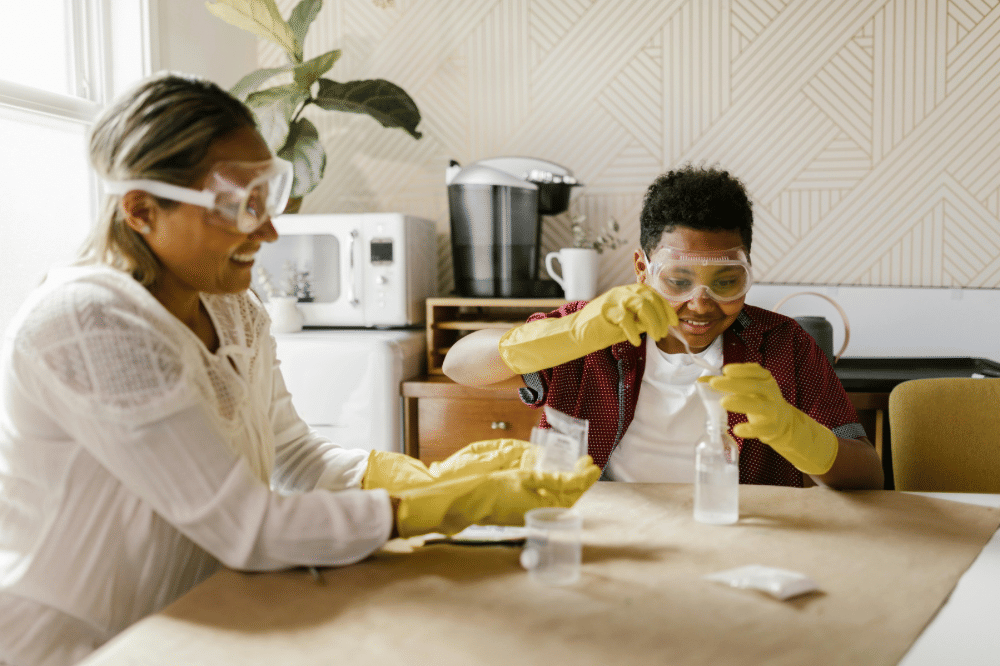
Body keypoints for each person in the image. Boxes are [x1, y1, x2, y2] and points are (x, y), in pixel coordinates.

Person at [0, 73, 599, 666]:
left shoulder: (232, 307)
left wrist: (420, 476)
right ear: (140, 211)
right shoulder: (91, 323)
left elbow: (294, 459)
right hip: (80, 646)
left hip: (197, 622)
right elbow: (248, 527)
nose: (268, 229)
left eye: (267, 197)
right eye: (236, 205)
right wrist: (442, 505)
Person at [443, 165, 883, 491]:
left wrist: (792, 430)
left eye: (726, 281)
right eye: (678, 281)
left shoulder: (783, 346)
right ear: (643, 269)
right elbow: (459, 365)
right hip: (609, 531)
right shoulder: (596, 329)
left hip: (740, 532)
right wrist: (573, 333)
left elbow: (867, 475)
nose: (700, 303)